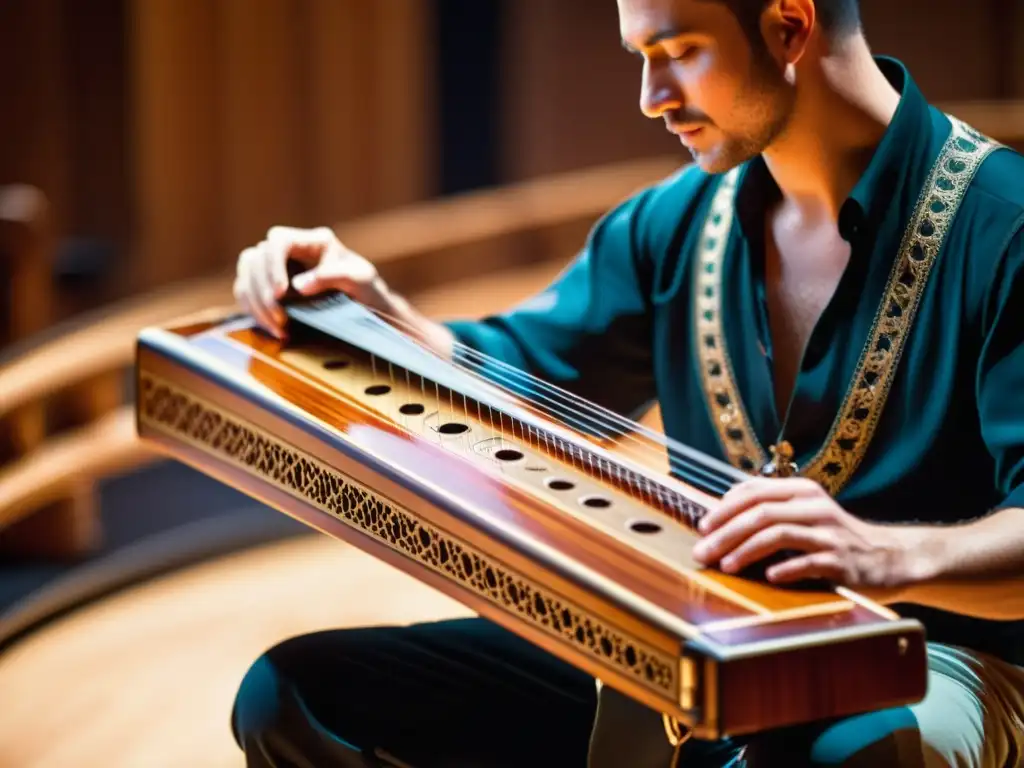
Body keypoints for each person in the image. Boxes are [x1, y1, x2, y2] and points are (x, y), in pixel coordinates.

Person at [228, 0, 1024, 765]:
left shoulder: (1004, 227)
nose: (651, 98)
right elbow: (516, 373)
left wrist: (882, 555)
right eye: (642, 58)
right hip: (702, 641)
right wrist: (380, 315)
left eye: (677, 53)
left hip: (936, 655)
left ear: (789, 24)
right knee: (298, 697)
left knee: (841, 756)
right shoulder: (672, 226)